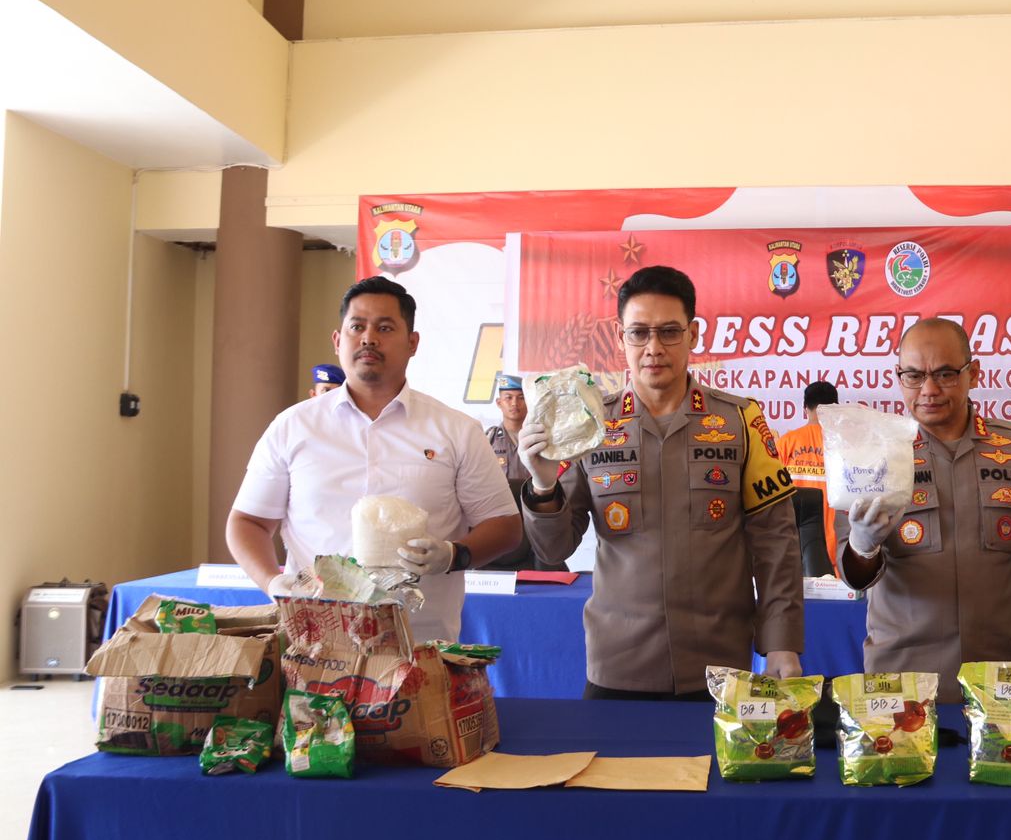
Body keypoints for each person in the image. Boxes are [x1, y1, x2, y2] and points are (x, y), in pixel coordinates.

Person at [519, 265, 805, 699]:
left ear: (693, 335)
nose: (653, 348)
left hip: (719, 664)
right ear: (621, 338)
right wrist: (543, 486)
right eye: (639, 333)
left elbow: (776, 542)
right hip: (618, 665)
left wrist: (782, 643)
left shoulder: (740, 421)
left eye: (669, 332)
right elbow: (553, 549)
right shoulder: (589, 426)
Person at [226, 276, 523, 642]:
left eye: (385, 328)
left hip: (421, 643)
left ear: (412, 343)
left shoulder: (456, 430)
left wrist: (454, 555)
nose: (368, 338)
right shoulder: (293, 426)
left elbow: (505, 526)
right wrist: (273, 583)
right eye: (357, 327)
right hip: (313, 643)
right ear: (338, 341)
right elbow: (248, 522)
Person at [835, 318, 1011, 702]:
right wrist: (863, 546)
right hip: (903, 679)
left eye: (945, 374)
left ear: (973, 373)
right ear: (898, 376)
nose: (929, 390)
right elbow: (852, 576)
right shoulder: (871, 457)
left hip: (1001, 678)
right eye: (913, 376)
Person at [481, 372, 565, 571]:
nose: (514, 403)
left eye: (520, 398)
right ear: (499, 403)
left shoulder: (544, 439)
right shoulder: (487, 441)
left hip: (537, 518)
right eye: (508, 398)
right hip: (504, 521)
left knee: (546, 574)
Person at [777, 380, 839, 577]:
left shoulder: (786, 442)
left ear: (805, 408)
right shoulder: (843, 444)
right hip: (836, 543)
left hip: (794, 541)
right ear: (835, 409)